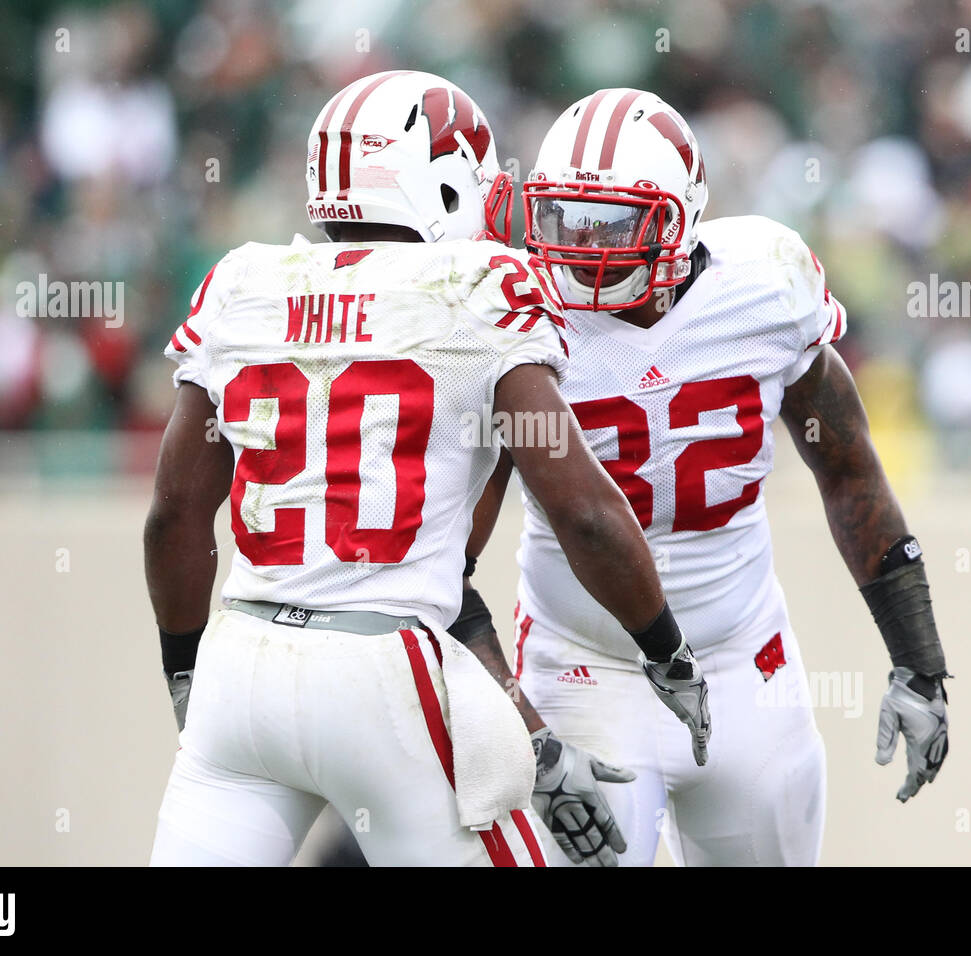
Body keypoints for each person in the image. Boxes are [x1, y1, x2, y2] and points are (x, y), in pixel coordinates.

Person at [143, 72, 710, 867]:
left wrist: (183, 668)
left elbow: (173, 514)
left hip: (238, 666)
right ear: (443, 186)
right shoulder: (481, 291)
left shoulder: (240, 282)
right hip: (383, 669)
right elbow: (584, 513)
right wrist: (666, 649)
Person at [461, 88, 950, 866]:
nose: (585, 248)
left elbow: (848, 470)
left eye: (613, 223)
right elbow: (447, 564)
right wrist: (526, 729)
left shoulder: (761, 286)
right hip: (582, 669)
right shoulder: (515, 314)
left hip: (745, 662)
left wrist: (920, 662)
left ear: (681, 218)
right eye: (565, 219)